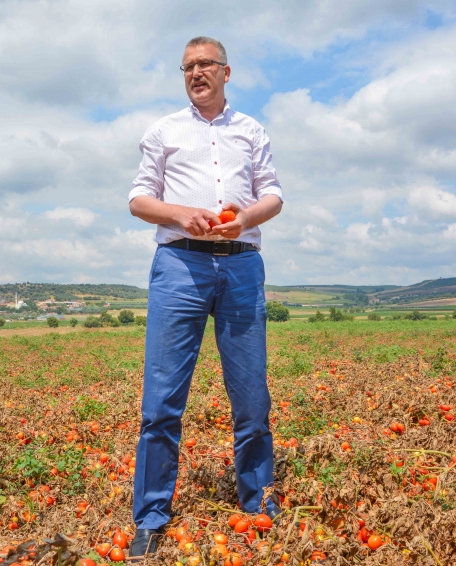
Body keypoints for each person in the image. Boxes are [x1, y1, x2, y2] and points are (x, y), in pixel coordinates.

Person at [127, 36, 284, 560]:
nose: (196, 73)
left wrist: (244, 219)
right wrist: (178, 213)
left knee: (252, 399)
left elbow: (273, 195)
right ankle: (150, 517)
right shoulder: (163, 131)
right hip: (180, 265)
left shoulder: (251, 130)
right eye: (187, 67)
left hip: (241, 263)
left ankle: (259, 501)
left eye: (205, 65)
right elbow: (138, 198)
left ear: (226, 71)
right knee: (161, 402)